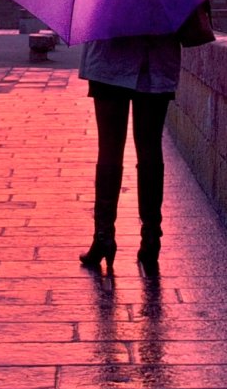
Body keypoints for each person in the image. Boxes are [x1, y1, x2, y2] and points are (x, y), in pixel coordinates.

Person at [77, 29, 181, 276]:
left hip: (109, 59)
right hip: (156, 59)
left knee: (110, 149)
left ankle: (103, 236)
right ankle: (151, 237)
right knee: (151, 148)